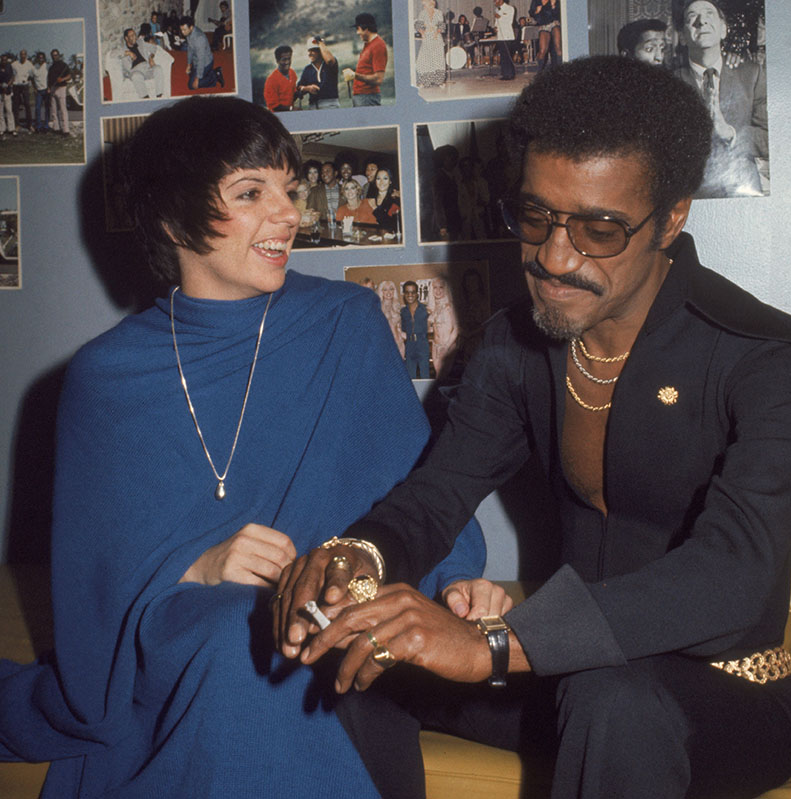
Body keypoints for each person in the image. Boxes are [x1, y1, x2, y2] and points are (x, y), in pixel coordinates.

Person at [275, 56, 791, 799]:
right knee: (349, 651)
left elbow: (732, 579)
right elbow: (437, 494)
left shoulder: (767, 355)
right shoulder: (514, 346)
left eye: (599, 229)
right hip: (568, 674)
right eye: (535, 217)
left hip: (727, 697)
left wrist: (500, 642)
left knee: (615, 702)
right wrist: (359, 556)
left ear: (673, 217)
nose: (555, 258)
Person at [0, 94, 484, 797]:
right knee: (232, 632)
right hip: (177, 644)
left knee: (255, 639)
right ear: (172, 218)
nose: (289, 214)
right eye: (251, 192)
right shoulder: (106, 376)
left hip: (328, 630)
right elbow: (94, 583)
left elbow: (421, 489)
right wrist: (196, 564)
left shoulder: (344, 321)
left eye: (289, 189)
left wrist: (457, 583)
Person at [674, 0, 767, 198]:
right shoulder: (668, 83)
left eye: (709, 13)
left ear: (724, 30)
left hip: (744, 192)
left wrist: (732, 135)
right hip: (691, 197)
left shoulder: (752, 74)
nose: (702, 21)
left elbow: (771, 138)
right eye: (692, 17)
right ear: (682, 36)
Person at [344, 13, 387, 107]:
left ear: (366, 28)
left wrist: (354, 75)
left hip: (367, 98)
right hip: (362, 97)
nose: (357, 32)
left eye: (358, 29)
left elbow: (378, 79)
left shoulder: (378, 45)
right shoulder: (369, 44)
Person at [180, 15, 224, 90]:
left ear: (191, 27)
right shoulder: (189, 33)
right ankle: (211, 72)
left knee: (192, 86)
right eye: (181, 30)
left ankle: (215, 77)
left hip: (205, 63)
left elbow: (201, 60)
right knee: (190, 74)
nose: (182, 32)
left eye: (184, 30)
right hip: (196, 61)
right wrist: (189, 64)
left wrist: (198, 78)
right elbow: (190, 49)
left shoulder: (199, 38)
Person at [428, 275, 459, 379]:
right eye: (435, 287)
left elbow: (456, 329)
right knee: (438, 378)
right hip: (435, 346)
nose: (438, 291)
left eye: (441, 287)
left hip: (448, 347)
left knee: (445, 378)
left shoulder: (450, 306)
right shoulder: (433, 309)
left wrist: (446, 347)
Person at [121, 27, 165, 99]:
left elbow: (154, 47)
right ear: (126, 38)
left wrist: (151, 57)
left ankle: (159, 96)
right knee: (136, 76)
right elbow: (113, 54)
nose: (134, 37)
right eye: (131, 36)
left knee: (158, 68)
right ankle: (146, 98)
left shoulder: (140, 42)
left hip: (147, 67)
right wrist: (128, 52)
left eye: (134, 35)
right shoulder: (123, 48)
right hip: (135, 70)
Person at [297, 36, 339, 109]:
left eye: (313, 50)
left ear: (321, 51)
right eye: (309, 51)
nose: (310, 53)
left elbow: (329, 60)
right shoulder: (308, 69)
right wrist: (307, 88)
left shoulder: (330, 65)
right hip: (313, 105)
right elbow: (299, 86)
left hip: (331, 104)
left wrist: (320, 43)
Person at [399, 280, 430, 379]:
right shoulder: (402, 312)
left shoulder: (426, 310)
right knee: (410, 377)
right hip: (409, 346)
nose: (410, 295)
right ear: (404, 294)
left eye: (412, 292)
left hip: (422, 344)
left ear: (417, 294)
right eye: (407, 292)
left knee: (425, 375)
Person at [415, 0, 446, 89]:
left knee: (438, 60)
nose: (424, 7)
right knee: (425, 60)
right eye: (423, 5)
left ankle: (439, 82)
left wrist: (436, 33)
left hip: (437, 39)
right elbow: (418, 25)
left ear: (431, 4)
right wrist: (423, 33)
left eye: (425, 5)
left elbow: (441, 26)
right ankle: (424, 82)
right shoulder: (422, 13)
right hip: (427, 38)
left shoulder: (439, 13)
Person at [530, 0, 562, 70]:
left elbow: (559, 14)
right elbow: (531, 13)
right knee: (542, 50)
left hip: (554, 22)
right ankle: (540, 72)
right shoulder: (536, 1)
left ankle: (561, 69)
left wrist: (554, 6)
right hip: (543, 24)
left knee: (558, 47)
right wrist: (536, 12)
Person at [263, 44, 296, 111]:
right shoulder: (271, 80)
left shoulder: (292, 73)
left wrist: (305, 89)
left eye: (289, 59)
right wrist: (291, 109)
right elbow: (274, 106)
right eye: (284, 60)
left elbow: (293, 93)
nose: (287, 62)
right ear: (277, 61)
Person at [377, 279, 405, 356]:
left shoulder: (397, 306)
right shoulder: (378, 308)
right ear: (381, 292)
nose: (389, 292)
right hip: (385, 344)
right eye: (385, 290)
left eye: (391, 289)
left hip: (399, 342)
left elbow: (398, 327)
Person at [47, 49, 70, 136]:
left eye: (56, 55)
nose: (54, 56)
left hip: (61, 88)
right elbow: (49, 79)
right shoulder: (51, 67)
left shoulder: (64, 65)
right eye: (53, 55)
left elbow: (69, 76)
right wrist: (49, 88)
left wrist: (62, 79)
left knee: (63, 110)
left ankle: (65, 130)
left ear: (58, 55)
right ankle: (56, 128)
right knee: (54, 110)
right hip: (53, 88)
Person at [493, 0, 516, 80]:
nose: (494, 2)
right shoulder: (497, 10)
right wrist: (495, 27)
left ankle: (510, 74)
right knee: (502, 55)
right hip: (500, 36)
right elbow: (496, 23)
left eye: (496, 0)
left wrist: (499, 17)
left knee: (508, 55)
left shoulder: (510, 8)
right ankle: (505, 74)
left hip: (508, 35)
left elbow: (509, 21)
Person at [11, 50, 33, 131]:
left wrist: (28, 81)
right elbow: (11, 74)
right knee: (16, 105)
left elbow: (32, 75)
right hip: (16, 86)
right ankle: (17, 124)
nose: (23, 56)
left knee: (27, 104)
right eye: (21, 54)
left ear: (26, 55)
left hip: (25, 86)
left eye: (24, 54)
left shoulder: (29, 64)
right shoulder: (14, 64)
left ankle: (29, 124)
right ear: (19, 55)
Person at [31, 51, 49, 133]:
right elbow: (31, 78)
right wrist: (34, 88)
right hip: (38, 91)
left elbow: (50, 77)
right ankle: (38, 126)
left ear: (44, 58)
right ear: (37, 58)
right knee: (37, 108)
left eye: (42, 57)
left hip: (46, 90)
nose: (41, 59)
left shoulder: (47, 66)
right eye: (39, 57)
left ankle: (46, 126)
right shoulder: (34, 67)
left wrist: (49, 87)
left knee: (47, 108)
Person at [0, 54, 15, 137]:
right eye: (2, 60)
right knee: (0, 112)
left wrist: (8, 85)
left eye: (5, 60)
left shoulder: (9, 67)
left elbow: (12, 77)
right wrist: (1, 85)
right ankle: (2, 129)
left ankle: (11, 128)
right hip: (0, 92)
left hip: (8, 91)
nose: (4, 61)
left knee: (9, 110)